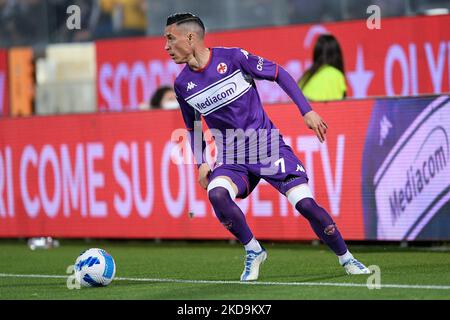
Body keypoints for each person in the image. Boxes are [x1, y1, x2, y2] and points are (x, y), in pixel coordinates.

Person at [164, 13, 370, 281]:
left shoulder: (234, 58)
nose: (166, 47)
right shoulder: (182, 85)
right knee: (216, 194)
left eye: (170, 39)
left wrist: (306, 111)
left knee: (305, 204)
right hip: (232, 156)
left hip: (267, 147)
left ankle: (347, 258)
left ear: (190, 38)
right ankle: (253, 250)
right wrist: (201, 162)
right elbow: (192, 125)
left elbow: (278, 73)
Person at [298, 34, 347, 101]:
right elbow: (342, 106)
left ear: (316, 53)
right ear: (337, 54)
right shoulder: (337, 75)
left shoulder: (306, 76)